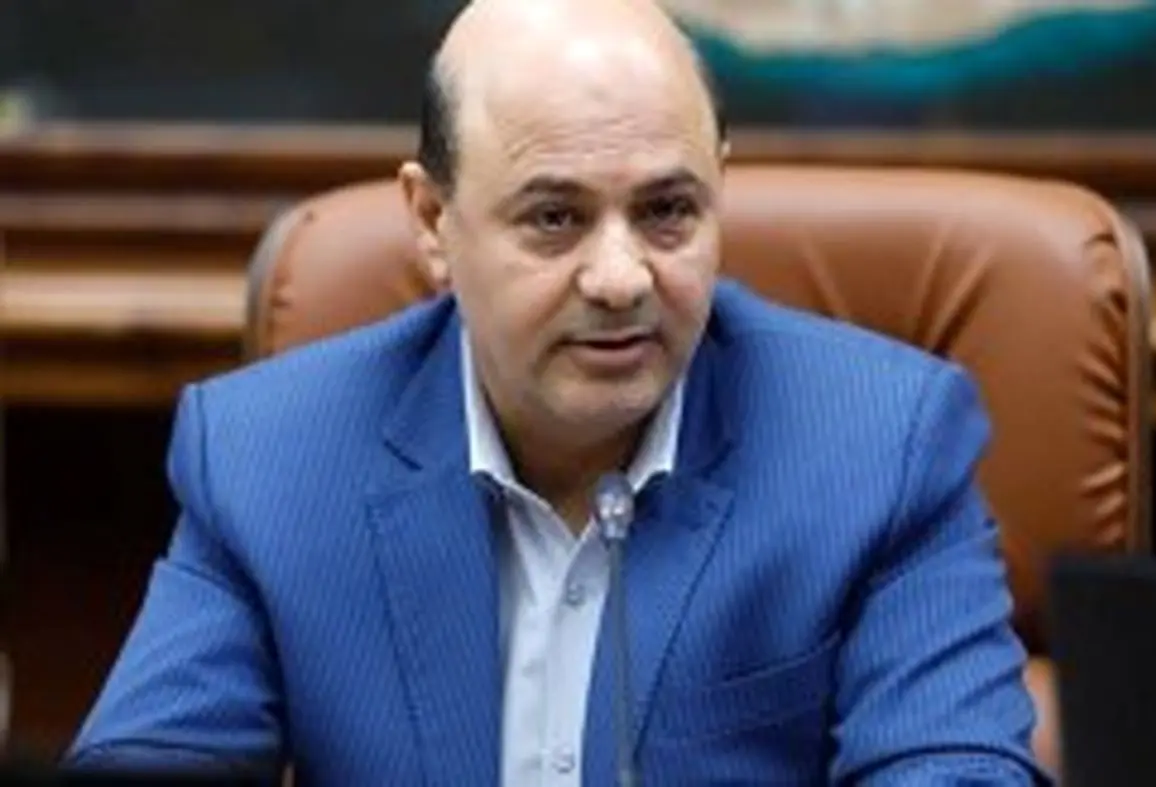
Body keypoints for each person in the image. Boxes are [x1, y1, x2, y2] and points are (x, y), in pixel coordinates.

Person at [67, 0, 1049, 784]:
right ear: (432, 220)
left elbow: (954, 767)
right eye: (554, 218)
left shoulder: (883, 447)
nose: (621, 277)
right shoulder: (269, 457)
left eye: (667, 211)